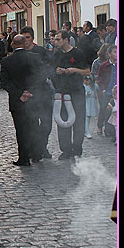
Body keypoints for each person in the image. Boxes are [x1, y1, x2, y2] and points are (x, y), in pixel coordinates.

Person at [0, 34, 45, 166]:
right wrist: (31, 91)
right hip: (33, 98)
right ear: (25, 43)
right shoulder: (35, 57)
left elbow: (4, 82)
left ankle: (24, 158)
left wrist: (19, 93)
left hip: (17, 100)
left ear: (13, 44)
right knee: (34, 126)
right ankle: (37, 154)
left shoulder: (7, 61)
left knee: (20, 130)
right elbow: (41, 77)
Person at [50, 30, 90, 159]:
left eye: (58, 40)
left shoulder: (78, 53)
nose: (55, 42)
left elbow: (87, 71)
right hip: (62, 92)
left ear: (66, 40)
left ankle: (77, 149)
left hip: (76, 91)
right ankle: (66, 150)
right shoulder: (56, 55)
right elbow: (51, 72)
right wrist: (56, 71)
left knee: (78, 121)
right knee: (63, 121)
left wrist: (74, 70)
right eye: (55, 40)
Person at [21, 27, 54, 159]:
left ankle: (42, 146)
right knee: (32, 123)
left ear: (32, 38)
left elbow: (48, 67)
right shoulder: (20, 53)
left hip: (42, 91)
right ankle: (35, 149)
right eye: (23, 38)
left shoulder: (40, 51)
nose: (25, 41)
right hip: (28, 92)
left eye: (27, 37)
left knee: (46, 122)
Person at [97, 44, 117, 138]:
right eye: (115, 52)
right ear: (109, 54)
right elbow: (99, 78)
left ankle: (111, 130)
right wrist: (103, 89)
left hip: (116, 92)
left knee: (114, 111)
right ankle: (100, 126)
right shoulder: (104, 66)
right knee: (104, 109)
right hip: (107, 91)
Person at [83, 74, 100, 139]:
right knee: (86, 117)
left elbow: (98, 89)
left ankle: (86, 130)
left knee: (89, 117)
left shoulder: (94, 86)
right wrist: (86, 94)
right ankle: (87, 131)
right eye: (85, 80)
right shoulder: (83, 86)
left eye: (88, 80)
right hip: (86, 102)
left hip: (92, 103)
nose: (86, 81)